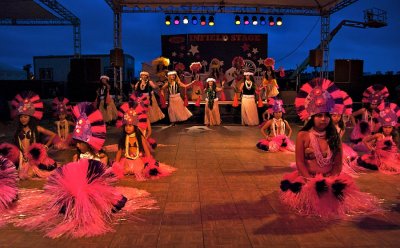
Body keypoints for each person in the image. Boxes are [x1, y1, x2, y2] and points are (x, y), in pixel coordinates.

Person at [280, 78, 380, 219]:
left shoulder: (334, 136)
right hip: (307, 178)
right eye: (319, 115)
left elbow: (338, 163)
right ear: (312, 117)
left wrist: (331, 178)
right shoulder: (303, 135)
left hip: (330, 177)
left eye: (327, 116)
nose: (323, 119)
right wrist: (309, 181)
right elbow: (300, 162)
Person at [112, 100, 176, 180]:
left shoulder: (140, 136)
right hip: (127, 160)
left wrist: (149, 163)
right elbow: (119, 152)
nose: (128, 128)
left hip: (138, 159)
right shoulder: (123, 138)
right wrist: (116, 165)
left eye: (130, 126)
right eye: (126, 126)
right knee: (125, 170)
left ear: (135, 126)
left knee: (139, 170)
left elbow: (146, 150)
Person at [10, 91, 57, 179]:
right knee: (18, 175)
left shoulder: (37, 128)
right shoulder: (18, 131)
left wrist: (45, 147)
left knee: (29, 175)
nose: (23, 119)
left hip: (34, 158)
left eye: (25, 117)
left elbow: (53, 135)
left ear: (30, 117)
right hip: (23, 159)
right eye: (21, 117)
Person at [356, 102, 400, 174]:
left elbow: (395, 149)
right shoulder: (379, 135)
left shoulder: (394, 136)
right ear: (382, 127)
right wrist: (371, 149)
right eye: (385, 127)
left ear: (393, 128)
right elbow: (365, 140)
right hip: (379, 159)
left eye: (389, 127)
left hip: (390, 158)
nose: (387, 129)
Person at [350, 84, 389, 152]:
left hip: (372, 134)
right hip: (362, 134)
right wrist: (355, 126)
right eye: (372, 104)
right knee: (364, 147)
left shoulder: (379, 112)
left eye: (375, 104)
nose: (374, 106)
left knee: (377, 147)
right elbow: (352, 115)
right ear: (369, 103)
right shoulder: (364, 110)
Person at [330, 91, 359, 177]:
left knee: (346, 158)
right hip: (328, 146)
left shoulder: (341, 127)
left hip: (337, 145)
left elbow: (339, 138)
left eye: (338, 116)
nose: (336, 118)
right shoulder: (327, 126)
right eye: (334, 116)